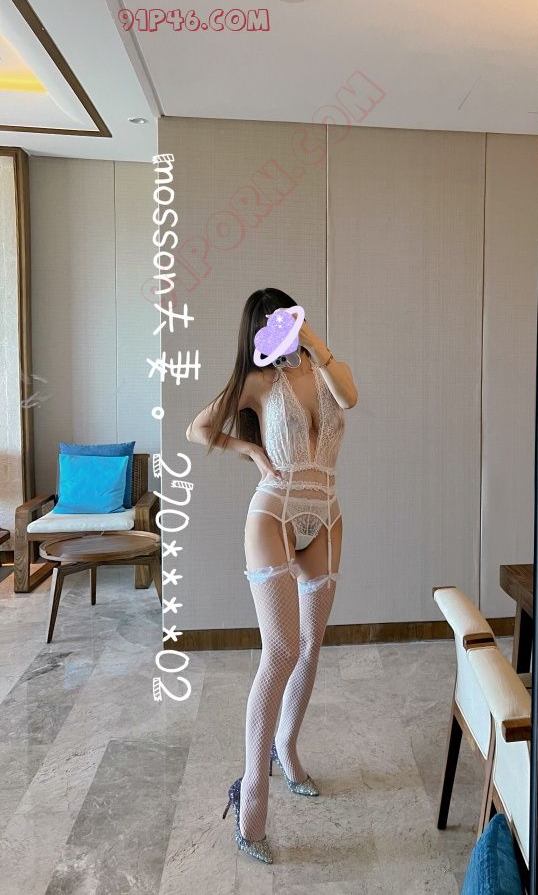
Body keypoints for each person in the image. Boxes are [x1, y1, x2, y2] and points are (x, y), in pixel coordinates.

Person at [186, 287, 358, 863]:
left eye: (286, 320)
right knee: (280, 650)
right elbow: (199, 428)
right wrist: (253, 453)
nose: (280, 333)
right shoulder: (256, 381)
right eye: (270, 326)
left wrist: (314, 343)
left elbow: (351, 397)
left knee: (311, 645)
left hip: (326, 512)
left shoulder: (325, 369)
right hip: (275, 511)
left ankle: (287, 748)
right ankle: (251, 806)